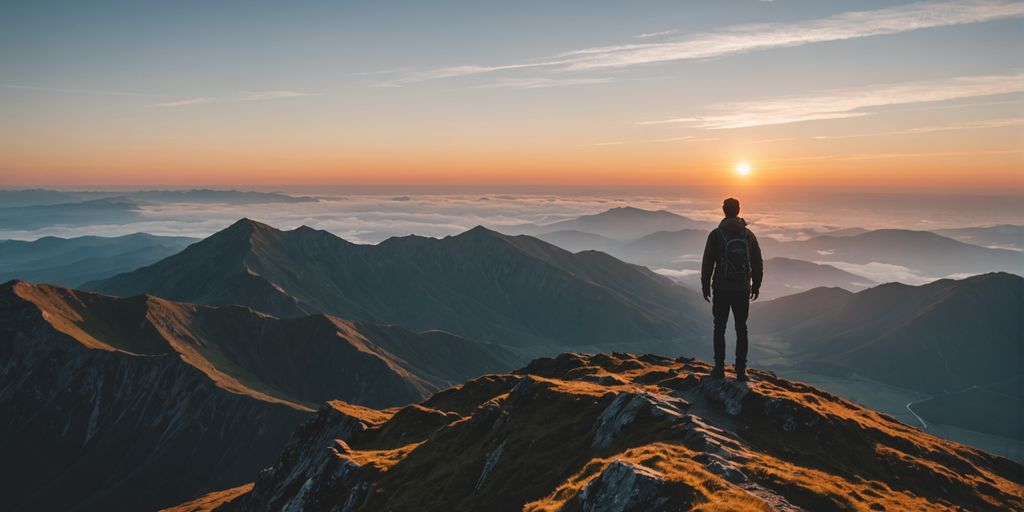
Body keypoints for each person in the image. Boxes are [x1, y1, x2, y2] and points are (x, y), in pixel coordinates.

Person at [700, 197, 763, 382]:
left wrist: (705, 285)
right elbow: (757, 262)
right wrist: (756, 284)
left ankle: (719, 368)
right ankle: (741, 371)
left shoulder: (716, 235)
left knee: (719, 328)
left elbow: (707, 262)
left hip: (721, 287)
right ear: (738, 210)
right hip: (742, 289)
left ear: (723, 210)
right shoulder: (748, 235)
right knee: (741, 329)